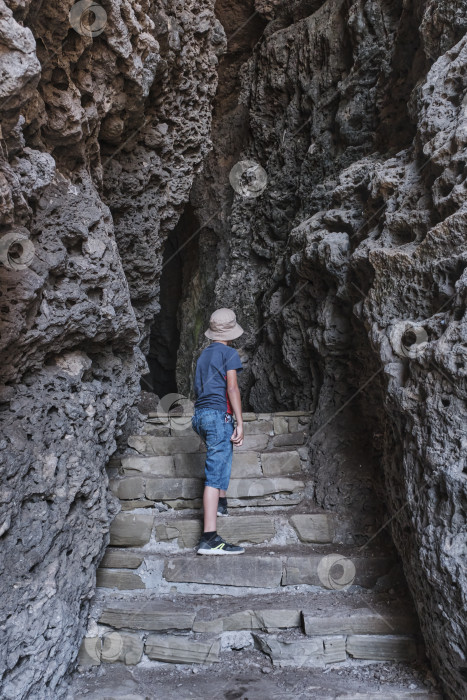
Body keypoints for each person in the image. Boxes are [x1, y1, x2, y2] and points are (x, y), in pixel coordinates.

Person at [191, 308, 245, 555]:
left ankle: (221, 503)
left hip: (200, 416)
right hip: (217, 415)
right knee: (215, 471)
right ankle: (209, 538)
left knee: (221, 454)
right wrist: (240, 421)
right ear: (231, 333)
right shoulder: (229, 353)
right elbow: (232, 389)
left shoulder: (203, 356)